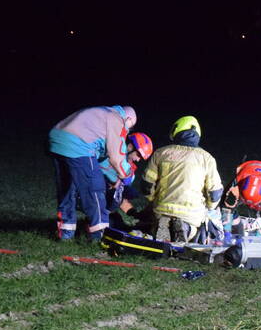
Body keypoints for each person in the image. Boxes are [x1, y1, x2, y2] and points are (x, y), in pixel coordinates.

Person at [47, 104, 137, 241]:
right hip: (79, 145)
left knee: (67, 189)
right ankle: (99, 234)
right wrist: (127, 175)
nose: (128, 131)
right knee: (95, 187)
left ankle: (65, 233)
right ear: (128, 119)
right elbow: (116, 156)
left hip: (56, 141)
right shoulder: (116, 119)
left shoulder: (103, 112)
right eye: (130, 127)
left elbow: (103, 158)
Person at [140, 115, 223, 243]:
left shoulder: (160, 153)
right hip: (192, 214)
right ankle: (186, 229)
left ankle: (163, 225)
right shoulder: (207, 159)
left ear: (176, 131)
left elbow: (146, 185)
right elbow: (215, 194)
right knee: (197, 229)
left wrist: (154, 200)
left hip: (162, 208)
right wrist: (208, 207)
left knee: (156, 221)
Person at [98, 132, 153, 226]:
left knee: (131, 192)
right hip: (93, 191)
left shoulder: (128, 167)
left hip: (105, 194)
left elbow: (120, 193)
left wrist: (134, 213)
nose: (138, 160)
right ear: (130, 147)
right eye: (138, 155)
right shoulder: (111, 156)